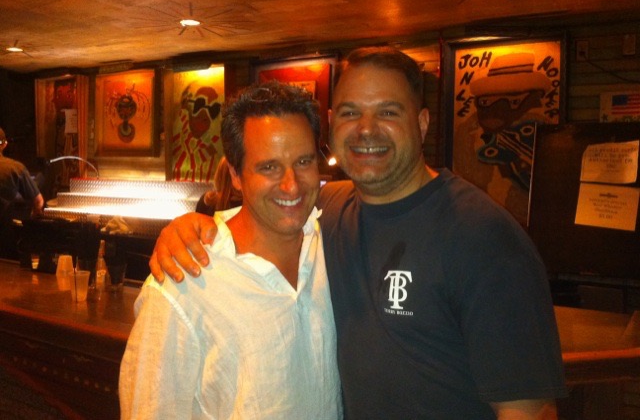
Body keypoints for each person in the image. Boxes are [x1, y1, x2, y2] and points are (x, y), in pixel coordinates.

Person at [150, 47, 568, 419]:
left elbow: (530, 411)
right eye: (351, 112)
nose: (367, 129)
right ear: (333, 124)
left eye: (388, 112)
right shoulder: (330, 210)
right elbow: (271, 204)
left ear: (422, 123)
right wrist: (196, 226)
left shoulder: (484, 237)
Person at [119, 81, 342, 419]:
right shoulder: (183, 283)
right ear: (235, 175)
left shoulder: (330, 243)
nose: (291, 184)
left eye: (303, 161)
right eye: (268, 167)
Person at [0, 128, 44, 259]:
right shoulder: (15, 168)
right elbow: (38, 201)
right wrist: (33, 217)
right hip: (6, 243)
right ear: (4, 144)